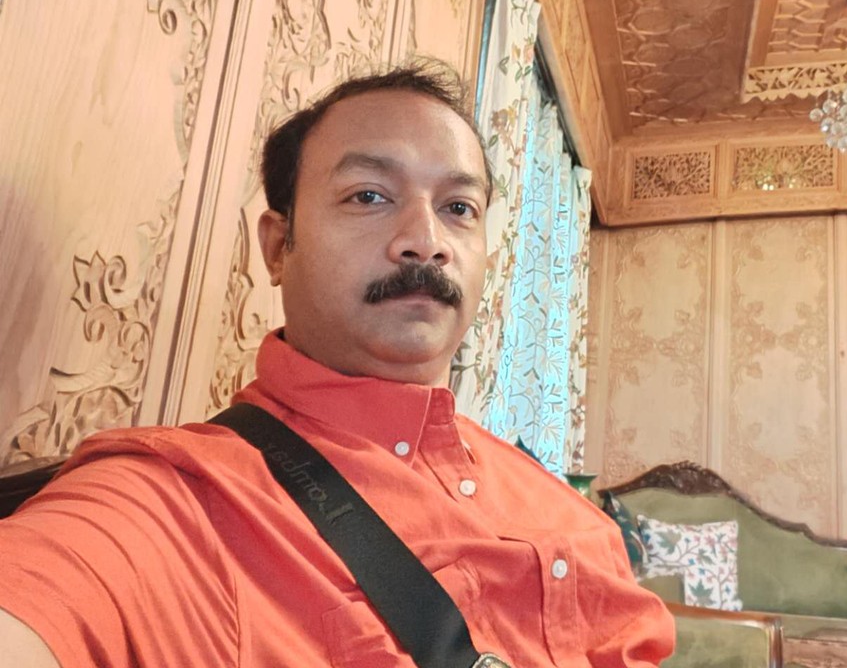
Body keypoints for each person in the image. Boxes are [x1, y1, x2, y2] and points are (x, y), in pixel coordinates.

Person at [0, 62, 675, 667]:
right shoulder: (178, 504)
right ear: (278, 247)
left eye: (458, 208)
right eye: (368, 196)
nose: (426, 241)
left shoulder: (563, 506)